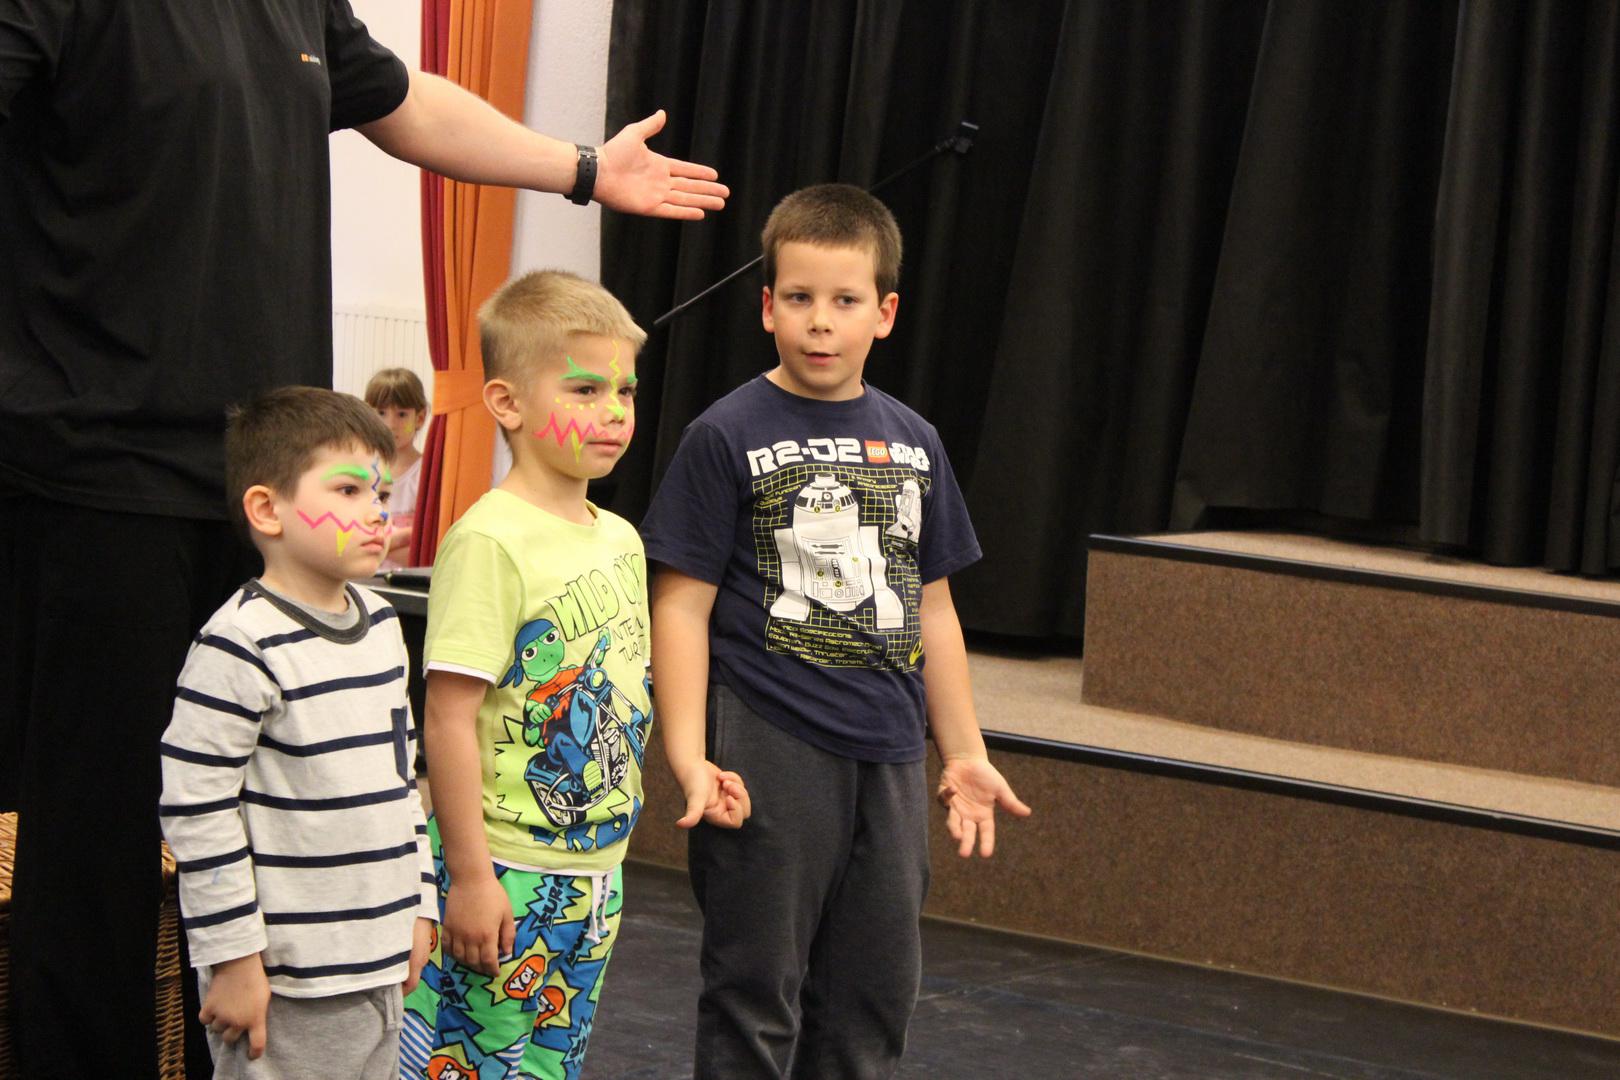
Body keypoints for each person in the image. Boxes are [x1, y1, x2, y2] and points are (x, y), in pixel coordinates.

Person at [0, 4, 726, 1076]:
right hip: (99, 481)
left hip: (264, 488)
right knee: (100, 849)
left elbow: (404, 100)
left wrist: (582, 168)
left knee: (272, 827)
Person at [641, 183, 1031, 1079]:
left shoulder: (915, 441)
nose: (821, 321)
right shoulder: (725, 433)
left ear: (884, 314)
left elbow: (934, 608)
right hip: (770, 740)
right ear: (767, 307)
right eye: (801, 298)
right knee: (756, 992)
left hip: (888, 752)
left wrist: (963, 750)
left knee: (873, 997)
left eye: (846, 300)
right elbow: (681, 607)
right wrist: (690, 755)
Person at [398, 270, 736, 1080]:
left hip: (595, 876)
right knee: (466, 1064)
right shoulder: (491, 541)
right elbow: (448, 718)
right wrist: (469, 877)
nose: (614, 410)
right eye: (585, 389)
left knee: (552, 1067)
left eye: (625, 390)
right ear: (507, 402)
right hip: (503, 870)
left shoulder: (620, 537)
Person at [158, 387, 436, 1078]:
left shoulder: (382, 625)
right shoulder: (239, 643)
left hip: (378, 966)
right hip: (286, 981)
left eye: (380, 492)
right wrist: (233, 958)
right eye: (347, 490)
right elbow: (197, 810)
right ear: (266, 509)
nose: (376, 512)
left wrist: (419, 906)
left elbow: (401, 781)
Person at [364, 367, 429, 569]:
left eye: (401, 414)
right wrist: (399, 539)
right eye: (381, 413)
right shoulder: (363, 471)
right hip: (365, 578)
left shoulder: (425, 473)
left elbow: (423, 549)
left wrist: (382, 543)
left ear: (419, 418)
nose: (391, 424)